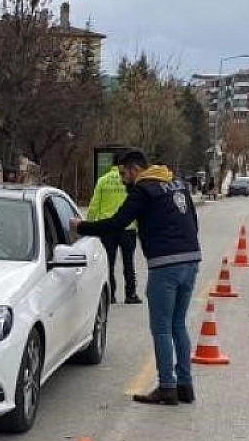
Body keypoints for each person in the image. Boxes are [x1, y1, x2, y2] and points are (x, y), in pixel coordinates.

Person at [72, 149, 202, 406]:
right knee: (178, 324)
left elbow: (117, 223)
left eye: (123, 174)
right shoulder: (175, 184)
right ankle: (185, 386)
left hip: (165, 265)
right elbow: (193, 222)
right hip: (191, 260)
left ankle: (167, 387)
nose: (122, 179)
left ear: (134, 169)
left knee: (162, 327)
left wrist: (81, 227)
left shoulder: (144, 190)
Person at [85, 162, 141, 305]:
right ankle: (131, 294)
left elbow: (94, 205)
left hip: (107, 228)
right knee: (129, 263)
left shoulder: (103, 180)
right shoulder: (130, 180)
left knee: (109, 263)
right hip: (128, 228)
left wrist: (89, 226)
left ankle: (111, 295)